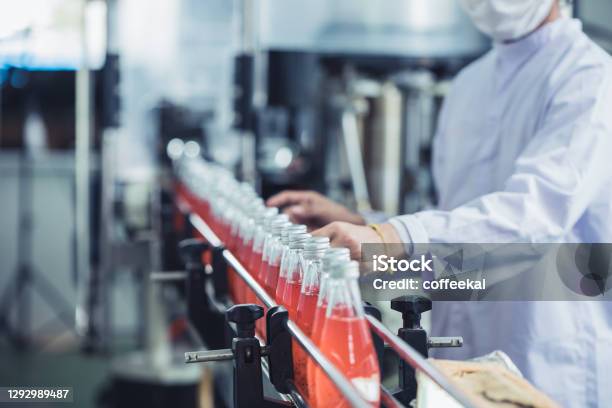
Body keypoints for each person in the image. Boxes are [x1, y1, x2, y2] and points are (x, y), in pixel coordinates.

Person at [267, 0, 612, 406]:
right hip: (459, 358)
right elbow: (455, 229)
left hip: (549, 356)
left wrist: (391, 237)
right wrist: (366, 225)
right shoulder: (469, 84)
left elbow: (533, 218)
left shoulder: (591, 79)